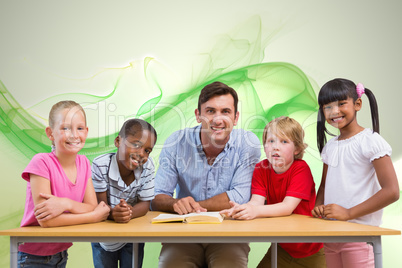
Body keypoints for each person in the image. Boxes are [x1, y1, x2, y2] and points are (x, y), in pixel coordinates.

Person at [151, 81, 261, 267]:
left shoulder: (247, 143)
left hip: (229, 233)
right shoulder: (176, 142)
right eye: (210, 111)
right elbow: (156, 196)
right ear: (198, 115)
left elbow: (240, 197)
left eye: (225, 111)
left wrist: (193, 208)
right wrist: (175, 203)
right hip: (184, 234)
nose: (218, 119)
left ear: (236, 117)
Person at [312, 78, 399, 268]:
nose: (334, 112)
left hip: (360, 236)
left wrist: (349, 213)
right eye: (327, 107)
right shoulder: (330, 147)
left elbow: (392, 191)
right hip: (332, 235)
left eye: (341, 104)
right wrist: (319, 206)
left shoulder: (371, 141)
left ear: (357, 104)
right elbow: (325, 184)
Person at [221, 116, 326, 268]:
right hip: (282, 248)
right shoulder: (260, 169)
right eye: (271, 141)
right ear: (264, 146)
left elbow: (287, 207)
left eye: (284, 141)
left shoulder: (301, 169)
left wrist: (254, 211)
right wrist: (243, 209)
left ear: (297, 149)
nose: (276, 147)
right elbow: (256, 202)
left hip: (311, 250)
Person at [18, 100, 110, 268]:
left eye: (80, 128)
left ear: (86, 132)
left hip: (60, 253)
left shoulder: (84, 163)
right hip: (33, 256)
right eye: (65, 128)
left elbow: (91, 204)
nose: (74, 134)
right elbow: (46, 221)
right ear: (50, 133)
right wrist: (94, 217)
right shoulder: (41, 162)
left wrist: (65, 203)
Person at [91, 119, 157, 268]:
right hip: (104, 235)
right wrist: (113, 214)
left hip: (132, 233)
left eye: (147, 150)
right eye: (136, 145)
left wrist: (128, 212)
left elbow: (145, 204)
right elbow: (99, 206)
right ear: (118, 141)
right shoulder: (100, 165)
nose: (141, 154)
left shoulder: (148, 167)